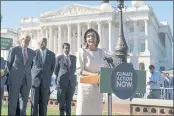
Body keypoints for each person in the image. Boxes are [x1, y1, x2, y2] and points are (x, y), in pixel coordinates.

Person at [76, 28, 106, 115]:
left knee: (96, 111)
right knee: (83, 111)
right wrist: (94, 75)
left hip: (97, 88)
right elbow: (80, 70)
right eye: (88, 36)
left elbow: (104, 67)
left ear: (97, 39)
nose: (91, 38)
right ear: (85, 39)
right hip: (85, 88)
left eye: (93, 36)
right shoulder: (82, 51)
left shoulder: (101, 52)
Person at [5, 35, 36, 115]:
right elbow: (8, 65)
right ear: (21, 40)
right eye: (26, 39)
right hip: (14, 80)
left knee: (24, 105)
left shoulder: (32, 53)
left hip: (26, 81)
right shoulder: (14, 50)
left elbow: (32, 66)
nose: (27, 41)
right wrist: (12, 77)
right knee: (13, 103)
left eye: (29, 40)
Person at [30, 37, 55, 116]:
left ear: (46, 42)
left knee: (44, 105)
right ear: (38, 43)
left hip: (45, 83)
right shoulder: (33, 53)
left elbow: (52, 68)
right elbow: (30, 67)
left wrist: (47, 77)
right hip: (35, 82)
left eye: (44, 42)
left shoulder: (51, 54)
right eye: (40, 42)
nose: (42, 43)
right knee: (34, 104)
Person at [54, 43, 76, 116]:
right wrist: (61, 76)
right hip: (62, 83)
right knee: (62, 103)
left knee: (69, 102)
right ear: (63, 49)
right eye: (65, 48)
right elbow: (55, 70)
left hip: (71, 83)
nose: (67, 49)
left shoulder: (73, 58)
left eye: (68, 48)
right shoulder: (59, 58)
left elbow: (74, 69)